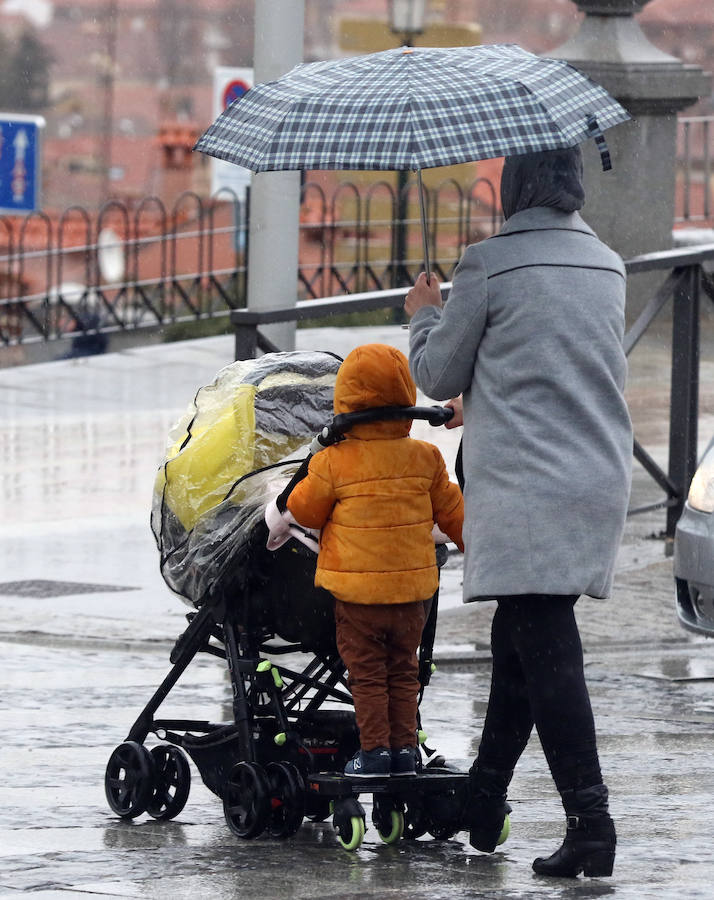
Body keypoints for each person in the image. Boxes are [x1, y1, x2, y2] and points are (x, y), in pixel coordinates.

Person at [404, 146, 633, 877]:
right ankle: (482, 796)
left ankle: (592, 823)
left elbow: (437, 372)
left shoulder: (490, 263)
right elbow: (546, 360)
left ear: (514, 187)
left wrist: (423, 314)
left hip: (529, 482)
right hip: (595, 474)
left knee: (547, 645)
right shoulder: (607, 263)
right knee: (520, 638)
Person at [283, 343, 464, 778]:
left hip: (358, 600)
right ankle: (405, 752)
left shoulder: (332, 463)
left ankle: (376, 752)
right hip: (411, 598)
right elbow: (455, 516)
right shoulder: (426, 458)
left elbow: (303, 511)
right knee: (403, 672)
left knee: (366, 676)